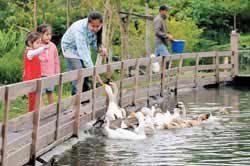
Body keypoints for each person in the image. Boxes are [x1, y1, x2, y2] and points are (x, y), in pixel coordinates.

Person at [61, 11, 107, 95]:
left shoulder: (95, 29)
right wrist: (94, 72)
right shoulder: (80, 29)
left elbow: (93, 42)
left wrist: (101, 49)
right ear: (88, 23)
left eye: (98, 26)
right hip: (70, 49)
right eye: (93, 26)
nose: (96, 29)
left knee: (86, 74)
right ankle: (76, 100)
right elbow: (84, 54)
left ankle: (85, 99)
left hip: (82, 47)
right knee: (79, 71)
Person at [23, 32, 49, 112]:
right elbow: (34, 53)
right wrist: (43, 48)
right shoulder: (29, 52)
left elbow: (35, 58)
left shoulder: (32, 52)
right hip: (30, 79)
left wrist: (41, 59)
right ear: (30, 43)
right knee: (32, 99)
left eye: (40, 43)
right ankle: (31, 114)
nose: (39, 45)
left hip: (35, 77)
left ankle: (36, 113)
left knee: (36, 97)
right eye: (37, 43)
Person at [37, 24, 60, 104]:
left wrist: (57, 73)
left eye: (50, 34)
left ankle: (52, 109)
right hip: (40, 74)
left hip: (50, 74)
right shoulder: (37, 46)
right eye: (46, 34)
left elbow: (56, 60)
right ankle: (42, 111)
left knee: (50, 92)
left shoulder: (52, 46)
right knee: (40, 93)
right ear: (40, 34)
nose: (49, 36)